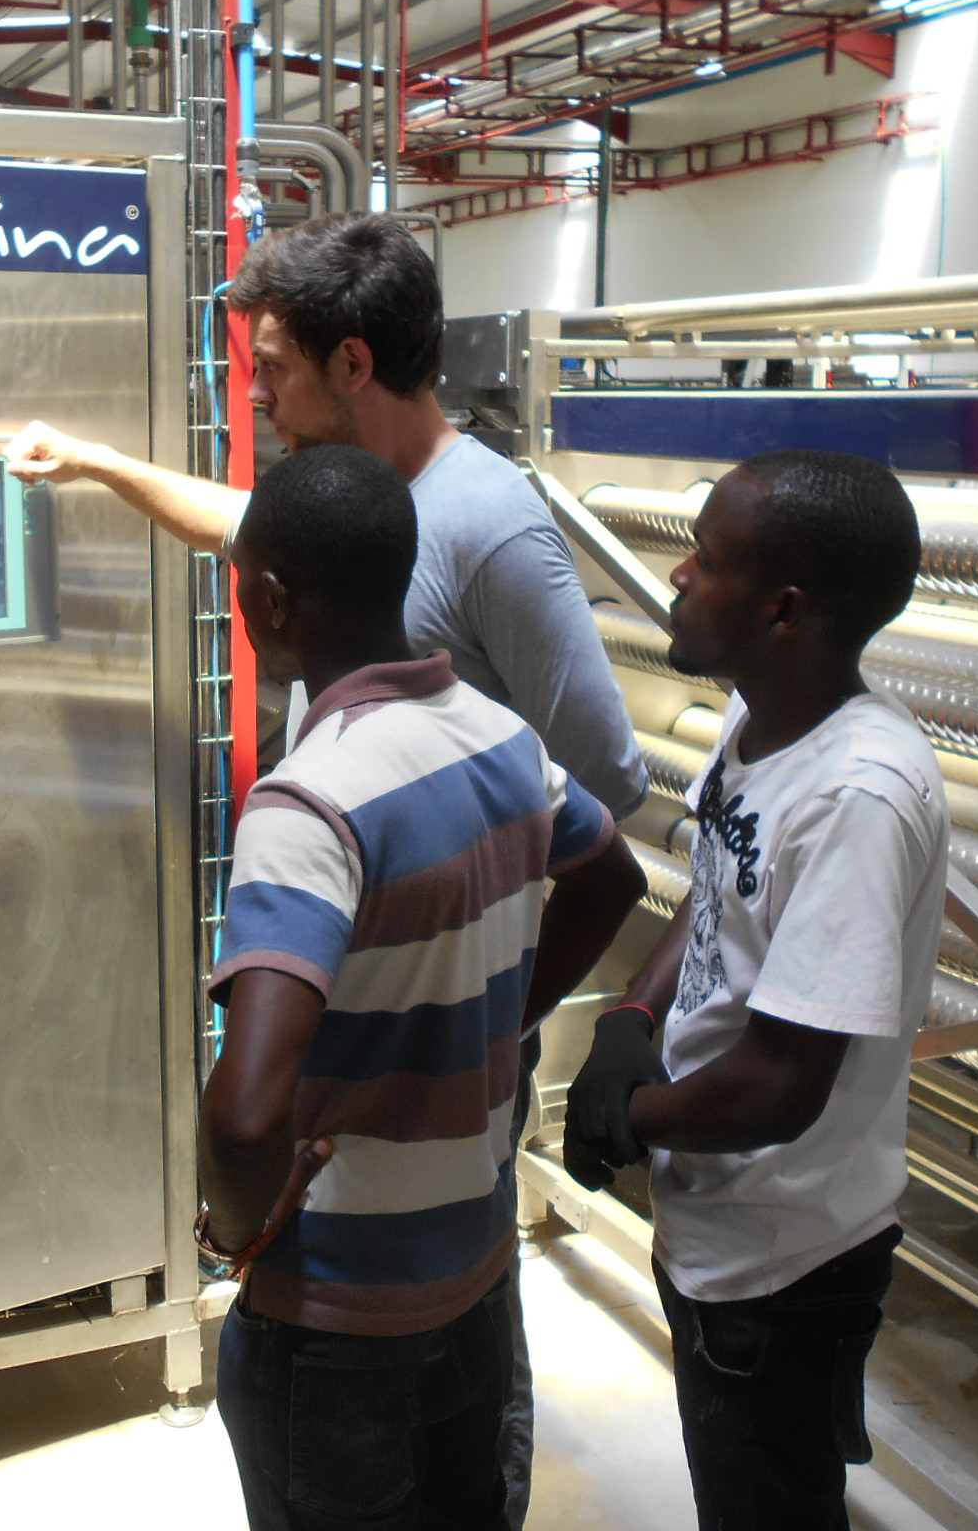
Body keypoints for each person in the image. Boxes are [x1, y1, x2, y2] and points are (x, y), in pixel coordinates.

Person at [9, 212, 648, 1519]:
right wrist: (89, 462)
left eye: (277, 373)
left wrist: (491, 1003)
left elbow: (600, 784)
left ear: (352, 366)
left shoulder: (489, 529)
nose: (264, 398)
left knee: (434, 1342)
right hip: (363, 1002)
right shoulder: (357, 508)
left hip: (441, 1011)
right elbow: (254, 530)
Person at [200, 446, 647, 1531]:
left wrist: (238, 1233)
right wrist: (493, 1027)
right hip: (476, 1279)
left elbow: (248, 1106)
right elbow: (613, 880)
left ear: (267, 599)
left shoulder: (309, 803)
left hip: (337, 1320)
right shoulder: (501, 739)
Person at [561, 450, 947, 1531]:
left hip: (785, 1269)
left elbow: (781, 1085)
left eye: (707, 560)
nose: (679, 577)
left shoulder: (858, 796)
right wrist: (632, 1020)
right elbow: (717, 890)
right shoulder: (763, 722)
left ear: (783, 608)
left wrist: (629, 1117)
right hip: (718, 1226)